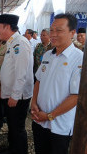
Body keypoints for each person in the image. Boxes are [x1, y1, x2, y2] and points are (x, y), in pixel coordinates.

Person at [31, 13, 83, 154]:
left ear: (72, 33)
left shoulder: (79, 58)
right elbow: (39, 80)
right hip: (39, 119)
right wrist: (34, 103)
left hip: (59, 126)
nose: (53, 34)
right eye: (51, 30)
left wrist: (49, 115)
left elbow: (76, 96)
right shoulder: (48, 55)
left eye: (59, 30)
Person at [0, 14, 34, 154]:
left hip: (19, 96)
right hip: (12, 93)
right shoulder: (12, 42)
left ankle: (20, 151)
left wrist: (15, 95)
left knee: (17, 127)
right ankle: (12, 149)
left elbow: (21, 73)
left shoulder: (20, 42)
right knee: (12, 125)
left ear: (7, 27)